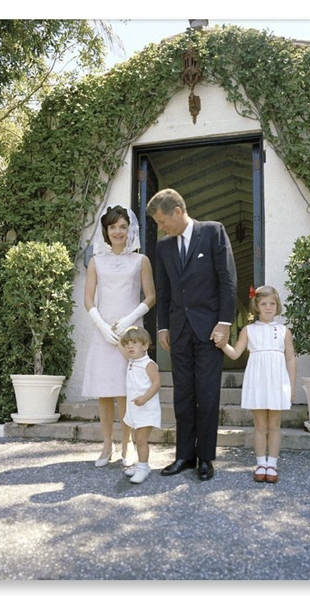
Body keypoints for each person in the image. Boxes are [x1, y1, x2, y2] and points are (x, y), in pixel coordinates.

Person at [146, 188, 237, 481]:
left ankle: (206, 458)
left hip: (209, 330)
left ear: (177, 211)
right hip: (179, 331)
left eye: (161, 221)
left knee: (207, 395)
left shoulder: (213, 233)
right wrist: (162, 326)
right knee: (183, 394)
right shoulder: (163, 247)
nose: (160, 228)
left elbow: (227, 280)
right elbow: (164, 289)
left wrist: (224, 322)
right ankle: (184, 455)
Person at [82, 205, 156, 468]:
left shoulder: (140, 261)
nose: (118, 231)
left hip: (130, 333)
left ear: (130, 229)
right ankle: (106, 445)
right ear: (106, 230)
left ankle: (127, 446)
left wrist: (128, 320)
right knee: (105, 391)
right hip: (105, 333)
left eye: (122, 226)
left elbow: (150, 296)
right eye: (113, 227)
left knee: (126, 389)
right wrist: (101, 325)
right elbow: (88, 298)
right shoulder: (96, 261)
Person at [217, 285, 296, 483]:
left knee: (274, 425)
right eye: (264, 304)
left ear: (277, 306)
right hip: (258, 381)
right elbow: (235, 353)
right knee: (260, 425)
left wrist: (292, 387)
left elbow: (291, 359)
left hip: (277, 381)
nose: (268, 307)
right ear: (257, 306)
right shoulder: (248, 330)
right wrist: (221, 344)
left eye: (272, 303)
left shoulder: (284, 331)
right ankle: (261, 463)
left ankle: (273, 465)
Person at [117, 326, 161, 484]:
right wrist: (121, 331)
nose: (129, 346)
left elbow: (156, 383)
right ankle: (141, 464)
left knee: (141, 439)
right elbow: (119, 344)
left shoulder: (148, 364)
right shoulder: (132, 361)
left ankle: (143, 468)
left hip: (146, 408)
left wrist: (144, 398)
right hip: (135, 409)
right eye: (127, 343)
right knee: (137, 437)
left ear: (145, 346)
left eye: (134, 342)